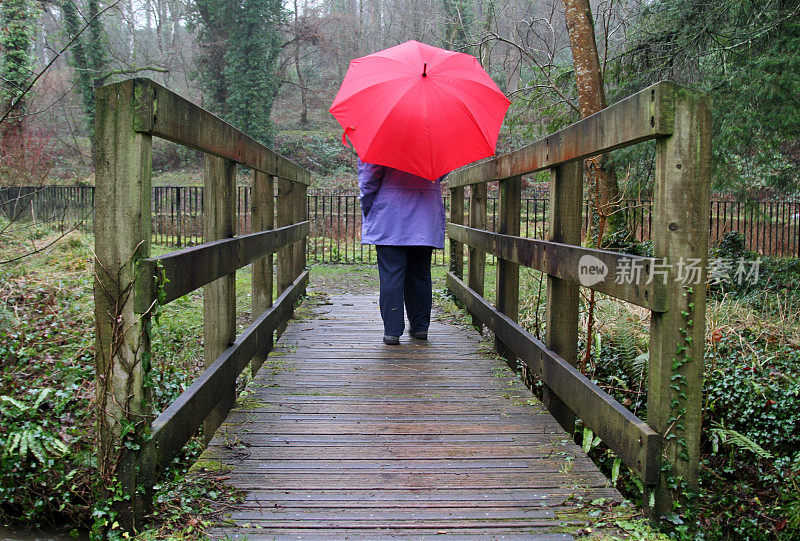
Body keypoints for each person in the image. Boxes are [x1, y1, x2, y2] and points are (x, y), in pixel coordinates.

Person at [358, 159, 446, 345]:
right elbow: (441, 171)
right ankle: (420, 327)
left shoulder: (379, 140)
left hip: (390, 215)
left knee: (391, 274)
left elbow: (369, 179)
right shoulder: (431, 140)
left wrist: (367, 205)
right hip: (424, 213)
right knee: (420, 274)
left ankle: (392, 331)